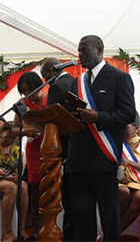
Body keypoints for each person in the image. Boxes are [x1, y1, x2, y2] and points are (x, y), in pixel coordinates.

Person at [66, 35, 136, 241]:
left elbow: (128, 113)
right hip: (78, 158)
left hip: (104, 158)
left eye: (84, 50)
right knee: (81, 216)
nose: (80, 54)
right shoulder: (76, 82)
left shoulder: (119, 77)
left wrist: (99, 117)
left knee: (109, 216)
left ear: (99, 51)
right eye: (79, 50)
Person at [41, 57, 75, 241]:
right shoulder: (76, 82)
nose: (44, 80)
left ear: (50, 71)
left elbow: (51, 121)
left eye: (44, 75)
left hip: (61, 150)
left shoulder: (56, 87)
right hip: (77, 149)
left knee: (67, 200)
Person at [12, 71, 47, 239]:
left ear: (38, 85)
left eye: (29, 90)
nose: (27, 94)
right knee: (35, 189)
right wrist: (26, 130)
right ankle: (37, 228)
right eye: (23, 91)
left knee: (49, 187)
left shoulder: (49, 99)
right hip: (33, 151)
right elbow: (14, 128)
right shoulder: (21, 103)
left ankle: (49, 228)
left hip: (51, 148)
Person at [119, 116, 140, 233]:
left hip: (138, 181)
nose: (123, 131)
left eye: (127, 128)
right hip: (119, 179)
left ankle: (116, 231)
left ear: (136, 128)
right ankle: (110, 228)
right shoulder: (115, 140)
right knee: (124, 192)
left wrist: (130, 163)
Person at [0, 122, 29, 242]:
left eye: (14, 137)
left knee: (23, 185)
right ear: (2, 133)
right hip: (3, 181)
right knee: (10, 187)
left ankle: (21, 229)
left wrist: (17, 176)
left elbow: (17, 171)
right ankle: (7, 232)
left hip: (9, 180)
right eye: (8, 136)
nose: (11, 140)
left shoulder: (16, 150)